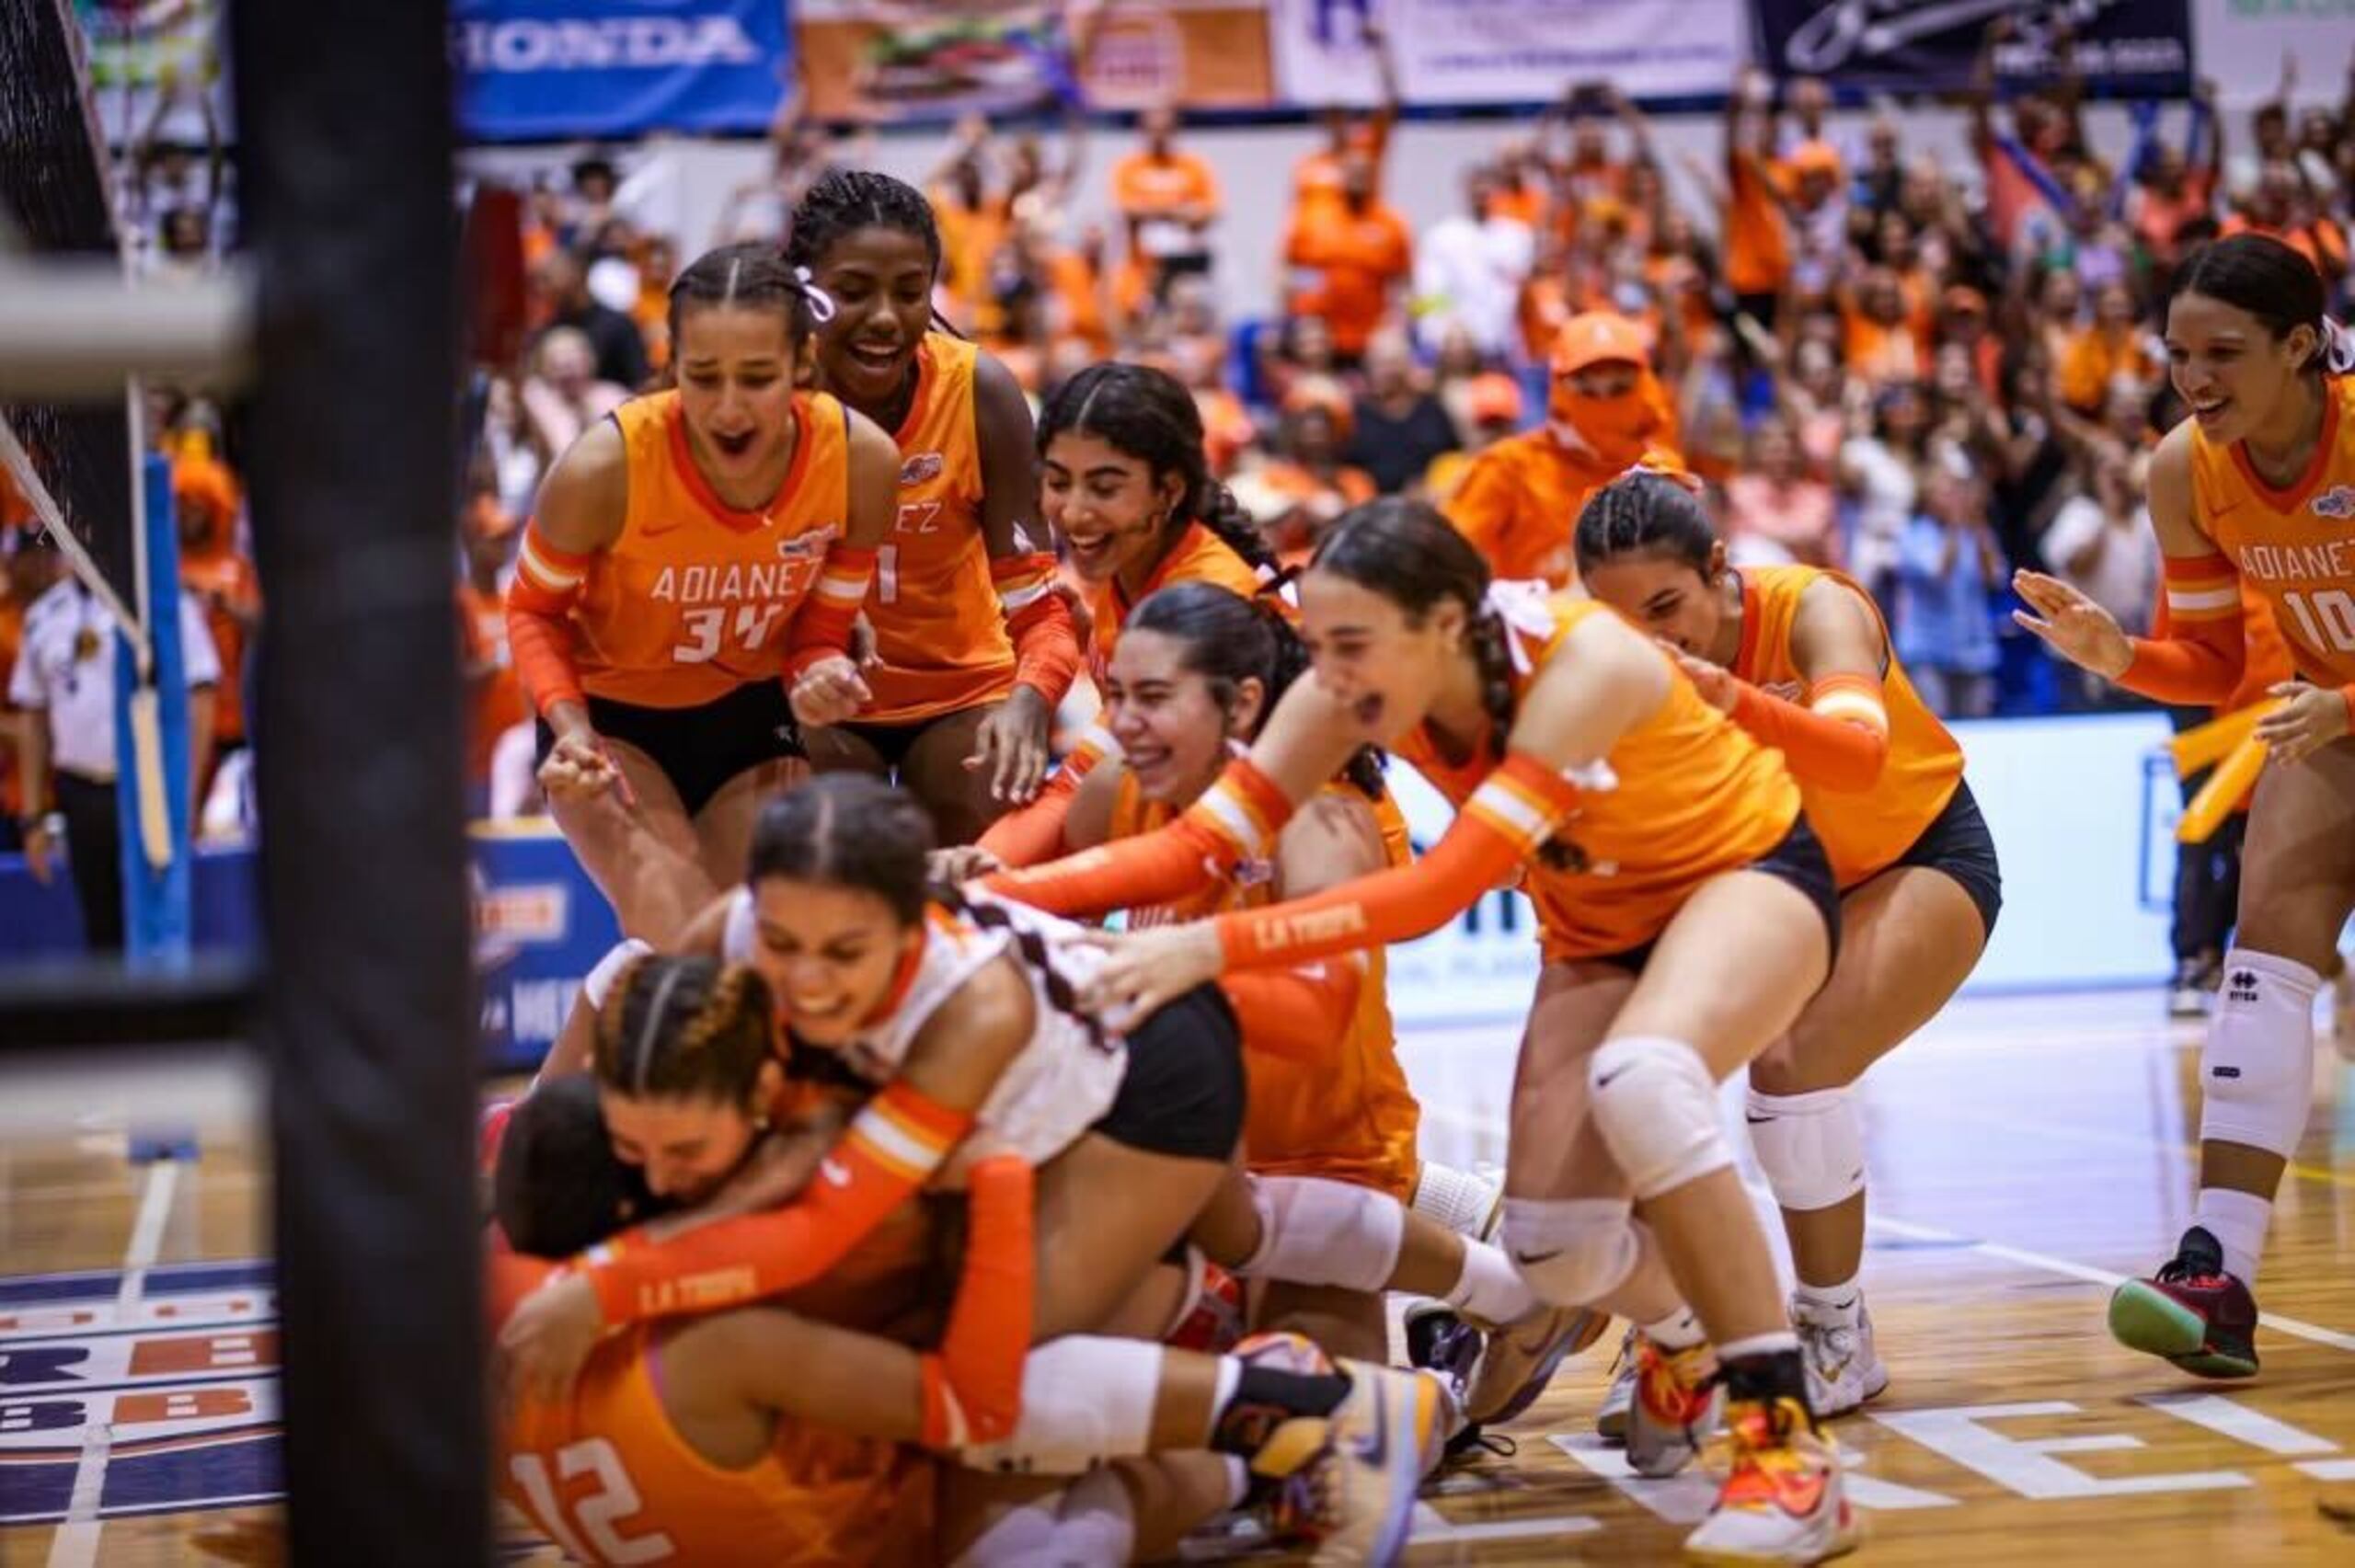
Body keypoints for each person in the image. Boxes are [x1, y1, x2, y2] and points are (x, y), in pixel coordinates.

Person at [984, 499, 1857, 1562]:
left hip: (1746, 872)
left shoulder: (1585, 666)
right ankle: (1681, 1334)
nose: (1332, 676)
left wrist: (1214, 950)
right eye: (1317, 646)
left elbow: (1440, 889)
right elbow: (1191, 850)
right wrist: (1002, 894)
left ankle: (1789, 1451)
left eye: (1352, 646)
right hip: (1595, 924)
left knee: (1644, 1076)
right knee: (1559, 1251)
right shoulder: (1344, 682)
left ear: (1447, 623)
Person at [503, 941, 1448, 1562]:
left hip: (1091, 1167)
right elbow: (634, 963)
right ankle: (1277, 1414)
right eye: (639, 1155)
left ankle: (1309, 1397)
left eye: (673, 1153)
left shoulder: (825, 1122)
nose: (664, 1175)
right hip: (988, 1246)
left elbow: (970, 1401)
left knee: (1016, 1463)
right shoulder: (676, 1225)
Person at [983, 580, 1560, 1368]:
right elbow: (1058, 902)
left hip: (1322, 1152)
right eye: (1114, 695)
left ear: (1246, 703)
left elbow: (1317, 1012)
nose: (1122, 724)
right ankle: (1497, 1284)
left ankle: (1532, 1309)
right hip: (1175, 1157)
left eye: (1153, 697)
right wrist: (974, 886)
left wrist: (1165, 970)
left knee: (1320, 1439)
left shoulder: (1324, 819)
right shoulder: (1118, 789)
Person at [1578, 470, 2001, 1419]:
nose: (1649, 637)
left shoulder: (1814, 607)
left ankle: (1833, 1328)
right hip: (1760, 880)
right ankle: (1673, 1332)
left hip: (1910, 854)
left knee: (1793, 1067)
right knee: (1641, 1071)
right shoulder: (1601, 672)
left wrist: (1719, 692)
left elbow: (1857, 752)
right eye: (1619, 619)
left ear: (1719, 568)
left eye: (1665, 606)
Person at [492, 1044, 1247, 1565]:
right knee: (1015, 1488)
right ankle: (1277, 1413)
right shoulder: (715, 1336)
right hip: (908, 1511)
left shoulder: (477, 1353)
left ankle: (1257, 1402)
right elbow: (973, 1406)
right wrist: (997, 1186)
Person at [2014, 235, 2355, 1380]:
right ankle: (2217, 1274)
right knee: (2258, 965)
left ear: (2301, 348)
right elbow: (2212, 663)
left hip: (2335, 707)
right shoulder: (2180, 470)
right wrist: (2122, 654)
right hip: (2327, 724)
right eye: (2177, 356)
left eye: (2224, 353)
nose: (2194, 378)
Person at [505, 243, 899, 944]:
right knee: (677, 936)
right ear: (671, 366)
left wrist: (819, 673)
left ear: (803, 365)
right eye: (703, 377)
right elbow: (532, 610)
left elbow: (816, 636)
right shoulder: (606, 466)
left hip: (748, 714)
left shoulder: (862, 462)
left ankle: (569, 1063)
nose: (727, 408)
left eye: (756, 378)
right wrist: (570, 731)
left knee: (750, 942)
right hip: (610, 724)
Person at [783, 171, 1082, 843]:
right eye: (854, 291)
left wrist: (1032, 704)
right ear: (805, 290)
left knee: (991, 812)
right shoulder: (770, 397)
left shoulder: (980, 391)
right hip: (813, 691)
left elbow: (1040, 609)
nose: (886, 316)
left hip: (962, 690)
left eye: (910, 292)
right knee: (825, 841)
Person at [1442, 312, 1682, 588]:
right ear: (1559, 391)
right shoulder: (1508, 468)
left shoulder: (1662, 470)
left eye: (1619, 388)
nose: (1604, 404)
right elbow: (1444, 567)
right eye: (1587, 390)